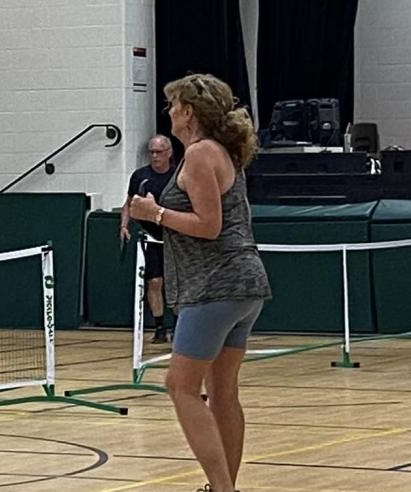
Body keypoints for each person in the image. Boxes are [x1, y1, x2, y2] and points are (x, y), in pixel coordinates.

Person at [127, 73, 270, 492]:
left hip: (215, 287)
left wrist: (154, 214)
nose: (169, 112)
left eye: (173, 105)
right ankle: (225, 486)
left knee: (180, 386)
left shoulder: (202, 154)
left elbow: (209, 226)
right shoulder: (220, 152)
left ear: (188, 112)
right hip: (242, 285)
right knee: (222, 391)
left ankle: (222, 489)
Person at [122, 135, 177, 343]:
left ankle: (180, 324)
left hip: (176, 237)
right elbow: (128, 203)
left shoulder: (178, 175)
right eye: (151, 152)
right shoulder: (140, 176)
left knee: (176, 282)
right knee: (154, 282)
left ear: (169, 153)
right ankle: (160, 326)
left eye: (159, 152)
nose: (155, 156)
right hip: (152, 238)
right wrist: (124, 225)